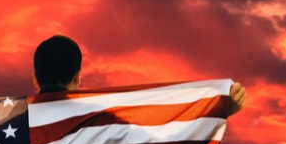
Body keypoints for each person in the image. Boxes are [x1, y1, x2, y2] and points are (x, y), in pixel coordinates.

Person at [31, 34, 247, 114]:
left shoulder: (9, 129)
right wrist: (219, 109)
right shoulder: (95, 122)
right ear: (77, 77)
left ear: (35, 78)